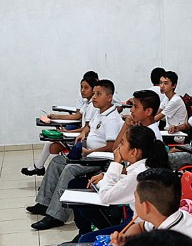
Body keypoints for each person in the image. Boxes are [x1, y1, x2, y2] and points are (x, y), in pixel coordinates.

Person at [28, 79, 124, 230]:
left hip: (99, 160)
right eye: (94, 94)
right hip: (87, 153)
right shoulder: (100, 113)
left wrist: (90, 152)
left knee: (69, 170)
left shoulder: (112, 119)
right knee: (57, 162)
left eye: (99, 94)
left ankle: (57, 215)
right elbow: (88, 126)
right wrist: (83, 134)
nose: (94, 97)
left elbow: (112, 146)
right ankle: (44, 203)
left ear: (110, 97)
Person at [72, 125, 169, 237]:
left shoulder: (138, 175)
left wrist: (116, 163)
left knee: (85, 239)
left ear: (133, 152)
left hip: (140, 229)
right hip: (138, 223)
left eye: (122, 143)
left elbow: (105, 197)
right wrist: (105, 176)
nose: (118, 146)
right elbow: (122, 182)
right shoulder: (144, 167)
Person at [22, 73, 98, 176]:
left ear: (93, 89)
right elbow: (76, 116)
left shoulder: (93, 106)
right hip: (80, 135)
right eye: (81, 87)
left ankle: (40, 168)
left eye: (86, 88)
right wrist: (56, 116)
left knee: (51, 145)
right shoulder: (87, 103)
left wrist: (68, 132)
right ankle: (39, 168)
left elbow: (86, 128)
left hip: (83, 139)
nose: (82, 90)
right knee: (50, 143)